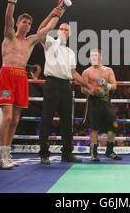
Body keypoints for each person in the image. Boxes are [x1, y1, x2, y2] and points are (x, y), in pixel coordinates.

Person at [0, 0, 63, 169]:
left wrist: (59, 12)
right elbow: (8, 16)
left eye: (29, 22)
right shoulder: (9, 35)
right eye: (24, 21)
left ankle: (8, 154)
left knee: (16, 119)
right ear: (18, 23)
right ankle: (2, 156)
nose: (27, 24)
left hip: (21, 78)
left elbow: (48, 29)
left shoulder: (31, 41)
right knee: (7, 117)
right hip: (7, 76)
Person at [37, 21, 88, 165]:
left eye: (66, 29)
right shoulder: (50, 43)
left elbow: (73, 73)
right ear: (57, 31)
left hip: (66, 85)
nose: (63, 31)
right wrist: (54, 15)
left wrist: (87, 84)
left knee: (67, 121)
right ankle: (44, 154)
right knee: (47, 119)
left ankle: (67, 154)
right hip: (52, 83)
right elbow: (40, 31)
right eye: (61, 29)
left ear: (70, 33)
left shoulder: (71, 52)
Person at [81, 49, 122, 161]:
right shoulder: (86, 72)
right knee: (94, 129)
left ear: (101, 57)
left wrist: (107, 86)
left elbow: (114, 86)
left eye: (96, 55)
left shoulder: (108, 70)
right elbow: (83, 88)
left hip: (106, 101)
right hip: (93, 102)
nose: (94, 57)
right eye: (92, 56)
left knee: (113, 126)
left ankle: (109, 151)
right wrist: (92, 91)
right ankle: (94, 154)